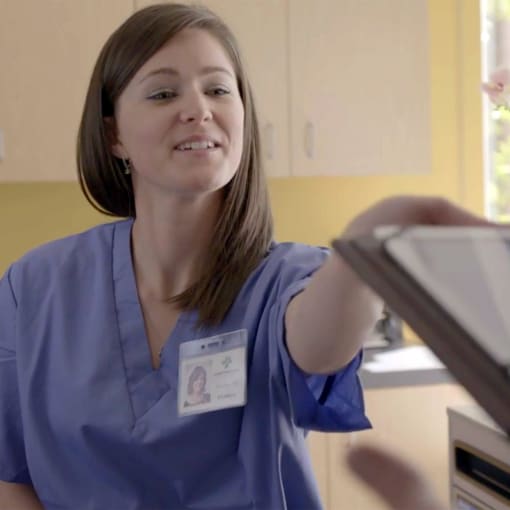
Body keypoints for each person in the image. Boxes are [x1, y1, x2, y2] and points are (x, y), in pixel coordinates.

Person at [0, 3, 492, 509]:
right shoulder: (33, 289)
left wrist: (371, 240)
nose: (198, 109)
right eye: (164, 93)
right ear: (114, 136)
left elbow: (322, 347)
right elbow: (10, 477)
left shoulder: (284, 282)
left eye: (217, 89)